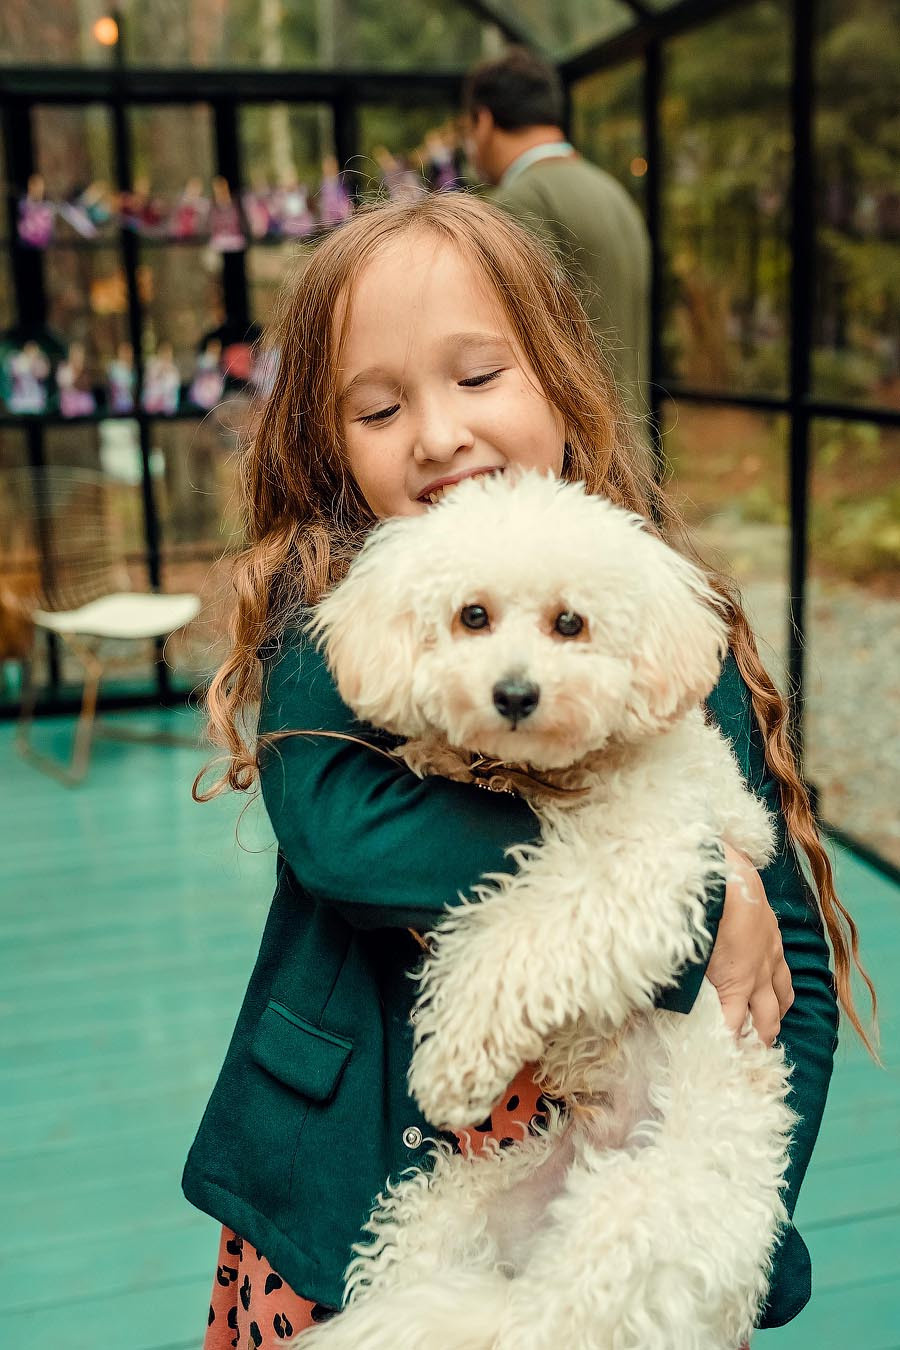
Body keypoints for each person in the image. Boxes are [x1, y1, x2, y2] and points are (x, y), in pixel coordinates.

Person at [184, 193, 872, 1349]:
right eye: (381, 406)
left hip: (625, 1200)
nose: (438, 435)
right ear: (329, 437)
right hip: (356, 1180)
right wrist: (703, 903)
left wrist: (736, 1212)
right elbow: (347, 834)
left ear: (557, 374)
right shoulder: (334, 596)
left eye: (476, 377)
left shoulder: (641, 614)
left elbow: (787, 958)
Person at [463, 48, 650, 422]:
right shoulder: (612, 192)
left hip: (573, 461)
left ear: (483, 122)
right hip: (629, 450)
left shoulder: (518, 202)